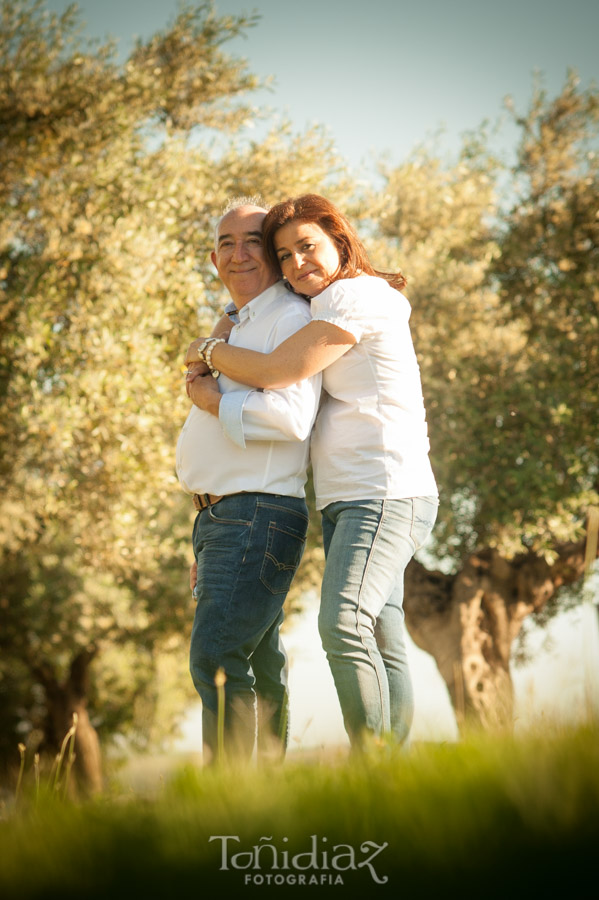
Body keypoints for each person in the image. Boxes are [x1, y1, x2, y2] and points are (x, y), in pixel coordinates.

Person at [185, 194, 438, 750]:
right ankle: (388, 772)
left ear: (340, 242)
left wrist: (206, 351)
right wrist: (229, 320)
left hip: (385, 487)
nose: (298, 263)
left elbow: (278, 373)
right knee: (380, 628)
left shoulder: (354, 297)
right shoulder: (321, 303)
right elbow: (256, 325)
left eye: (308, 248)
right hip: (350, 495)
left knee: (344, 622)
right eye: (287, 254)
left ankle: (372, 768)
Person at [177, 198, 321, 762]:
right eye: (226, 243)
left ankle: (231, 797)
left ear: (274, 254)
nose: (238, 254)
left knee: (215, 658)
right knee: (256, 663)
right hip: (224, 519)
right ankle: (261, 799)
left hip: (254, 514)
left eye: (252, 242)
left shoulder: (286, 319)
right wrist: (206, 524)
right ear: (214, 259)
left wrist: (212, 401)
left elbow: (289, 420)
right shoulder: (242, 323)